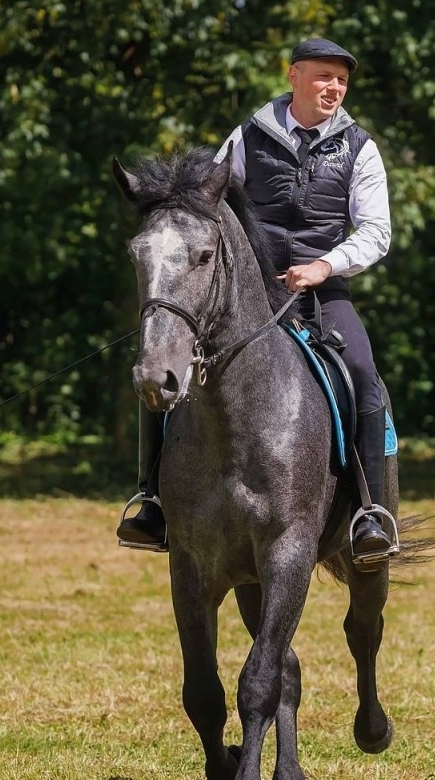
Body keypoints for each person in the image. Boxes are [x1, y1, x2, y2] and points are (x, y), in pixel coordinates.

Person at [117, 37, 399, 569]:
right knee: (162, 363)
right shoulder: (248, 136)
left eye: (341, 80)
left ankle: (370, 512)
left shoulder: (359, 147)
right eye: (323, 76)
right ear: (294, 76)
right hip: (248, 292)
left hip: (322, 293)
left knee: (364, 375)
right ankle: (151, 499)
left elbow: (376, 232)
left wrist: (324, 266)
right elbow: (207, 203)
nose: (334, 88)